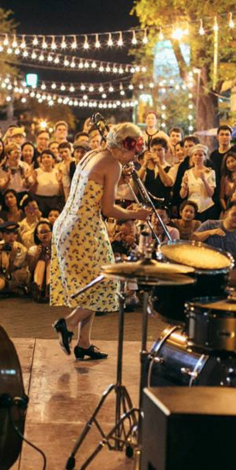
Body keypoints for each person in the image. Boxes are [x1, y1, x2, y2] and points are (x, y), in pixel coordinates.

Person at [50, 122, 151, 361]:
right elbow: (108, 209)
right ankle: (68, 323)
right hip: (84, 229)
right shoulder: (113, 164)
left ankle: (84, 343)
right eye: (134, 154)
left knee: (94, 283)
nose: (134, 160)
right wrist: (135, 215)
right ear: (124, 148)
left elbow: (97, 188)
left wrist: (121, 180)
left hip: (68, 223)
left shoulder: (93, 154)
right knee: (106, 282)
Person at [192, 202, 236, 291]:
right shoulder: (210, 224)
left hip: (233, 272)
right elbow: (193, 240)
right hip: (209, 269)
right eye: (234, 214)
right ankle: (223, 288)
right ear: (226, 213)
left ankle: (228, 288)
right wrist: (209, 232)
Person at [0, 221, 29, 301]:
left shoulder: (22, 249)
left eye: (14, 233)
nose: (12, 236)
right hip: (1, 273)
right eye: (8, 233)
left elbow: (10, 271)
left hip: (16, 274)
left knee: (6, 277)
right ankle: (14, 290)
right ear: (1, 235)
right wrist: (0, 255)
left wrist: (12, 258)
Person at [180, 144, 217, 220]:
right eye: (195, 155)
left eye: (200, 155)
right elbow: (182, 196)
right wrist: (185, 186)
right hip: (192, 209)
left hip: (207, 208)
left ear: (204, 157)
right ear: (192, 157)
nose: (197, 157)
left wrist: (204, 180)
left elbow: (211, 194)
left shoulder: (210, 172)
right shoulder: (187, 172)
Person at [27, 220, 53, 302]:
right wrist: (37, 256)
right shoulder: (33, 249)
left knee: (50, 262)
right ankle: (37, 288)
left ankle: (49, 289)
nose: (44, 234)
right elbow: (30, 269)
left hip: (54, 276)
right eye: (41, 232)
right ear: (37, 235)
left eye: (47, 231)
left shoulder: (58, 247)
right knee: (41, 261)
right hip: (37, 276)